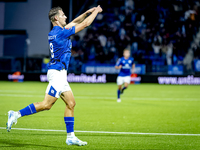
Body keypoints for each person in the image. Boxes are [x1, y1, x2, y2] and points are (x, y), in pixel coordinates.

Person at [6, 5, 103, 146]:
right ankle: (15, 114)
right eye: (63, 15)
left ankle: (70, 137)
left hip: (60, 73)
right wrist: (96, 12)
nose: (65, 16)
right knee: (46, 105)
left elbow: (76, 21)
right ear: (56, 18)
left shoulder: (57, 31)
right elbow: (85, 24)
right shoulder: (61, 33)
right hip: (57, 73)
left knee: (71, 103)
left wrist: (87, 11)